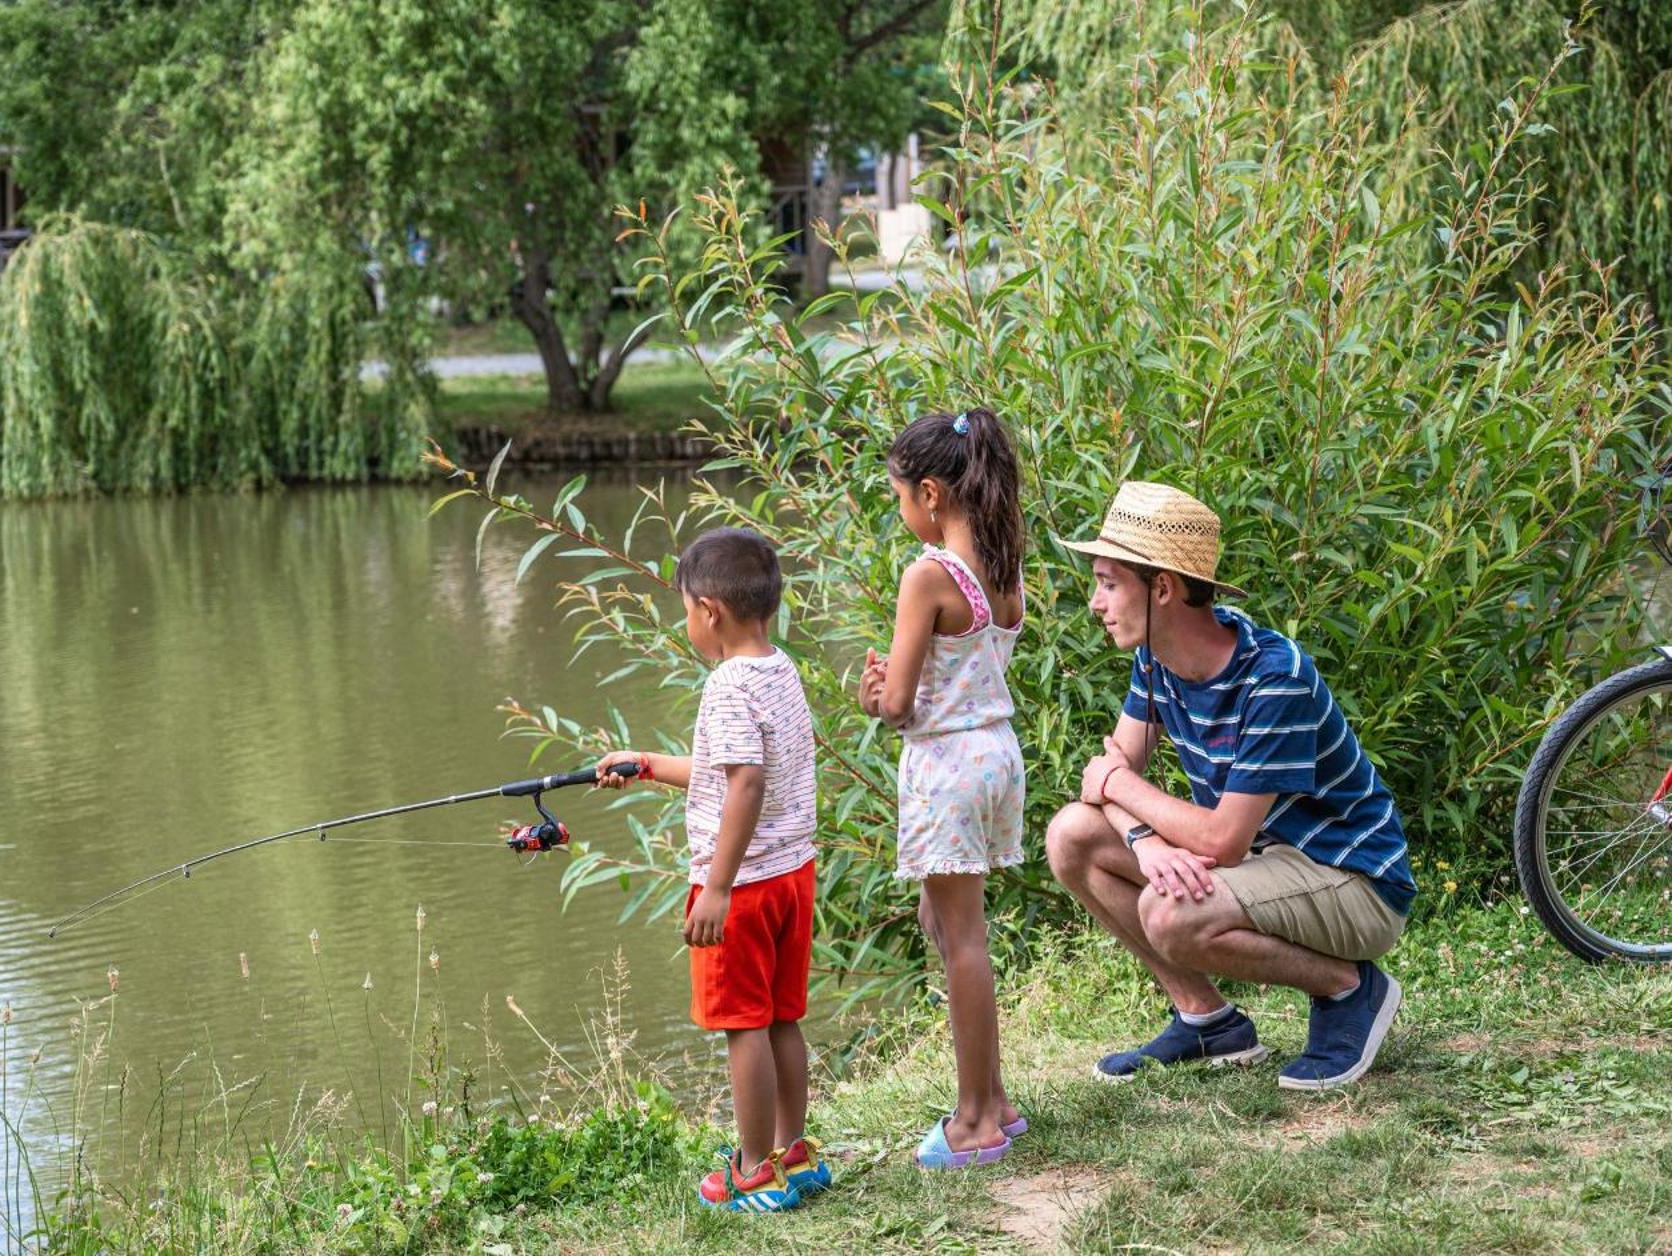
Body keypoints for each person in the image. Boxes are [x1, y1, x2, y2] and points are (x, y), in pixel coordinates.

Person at [1049, 481, 1415, 1089]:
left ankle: (1351, 988)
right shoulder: (1155, 659)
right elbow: (1103, 788)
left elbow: (1218, 840)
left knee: (1168, 914)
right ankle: (1207, 1021)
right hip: (1267, 864)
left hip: (1352, 880)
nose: (1095, 602)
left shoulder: (1274, 678)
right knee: (1070, 835)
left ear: (1161, 588)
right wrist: (1145, 840)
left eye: (1109, 582)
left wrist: (1118, 784)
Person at [596, 526, 826, 1212]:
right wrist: (649, 765)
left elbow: (747, 784)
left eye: (684, 608)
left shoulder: (727, 683)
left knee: (744, 1025)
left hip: (745, 888)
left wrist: (717, 887)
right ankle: (793, 1152)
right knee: (782, 1017)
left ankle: (752, 1169)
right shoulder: (778, 669)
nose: (685, 621)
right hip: (791, 876)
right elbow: (737, 773)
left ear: (710, 612)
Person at [858, 409, 1030, 1169]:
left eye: (900, 496)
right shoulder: (1005, 567)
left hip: (945, 767)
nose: (902, 512)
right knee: (943, 916)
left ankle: (976, 1119)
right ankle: (994, 1095)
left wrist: (870, 693)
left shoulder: (928, 575)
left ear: (931, 494)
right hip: (995, 755)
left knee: (963, 938)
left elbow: (897, 705)